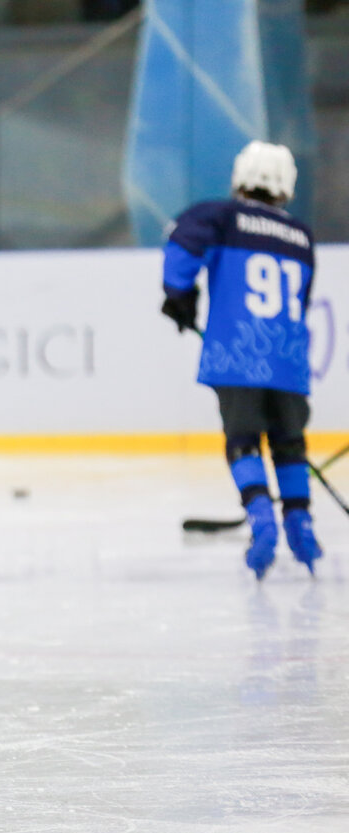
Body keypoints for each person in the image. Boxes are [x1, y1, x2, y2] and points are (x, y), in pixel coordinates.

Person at [161, 140, 320, 579]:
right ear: (286, 185)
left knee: (243, 440)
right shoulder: (302, 237)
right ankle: (302, 526)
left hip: (238, 354)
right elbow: (303, 299)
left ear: (240, 178)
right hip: (288, 360)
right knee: (290, 444)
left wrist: (180, 295)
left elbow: (180, 243)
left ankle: (261, 516)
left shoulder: (222, 216)